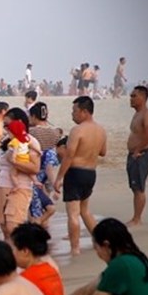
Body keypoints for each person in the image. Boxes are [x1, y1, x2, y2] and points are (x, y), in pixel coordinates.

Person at [54, 96, 107, 255]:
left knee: (73, 213)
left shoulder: (77, 130)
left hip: (76, 172)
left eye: (75, 111)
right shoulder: (101, 130)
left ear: (84, 111)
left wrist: (59, 178)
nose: (73, 114)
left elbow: (69, 156)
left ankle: (75, 249)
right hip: (91, 173)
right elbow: (103, 152)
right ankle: (101, 241)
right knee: (85, 211)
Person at [0, 108, 41, 238]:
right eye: (4, 125)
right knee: (4, 227)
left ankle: (24, 254)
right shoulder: (7, 141)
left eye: (7, 125)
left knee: (13, 227)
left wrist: (15, 163)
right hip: (2, 185)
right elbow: (0, 169)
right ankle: (10, 256)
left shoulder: (30, 141)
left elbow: (35, 168)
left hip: (20, 187)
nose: (5, 128)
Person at [126, 85, 148, 226]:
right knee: (134, 187)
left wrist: (137, 150)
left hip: (141, 155)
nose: (131, 98)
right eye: (131, 95)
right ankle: (136, 217)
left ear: (143, 97)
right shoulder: (137, 113)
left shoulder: (147, 114)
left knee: (139, 188)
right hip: (133, 154)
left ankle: (137, 219)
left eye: (134, 96)